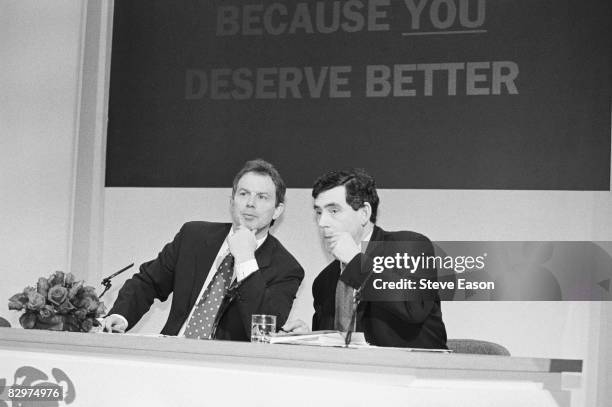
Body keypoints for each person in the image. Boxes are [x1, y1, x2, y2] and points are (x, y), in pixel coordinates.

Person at [103, 159, 304, 341]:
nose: (250, 203)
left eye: (262, 197)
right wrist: (120, 316)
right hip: (172, 353)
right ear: (232, 201)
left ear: (278, 209)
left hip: (228, 369)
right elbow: (147, 283)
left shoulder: (286, 268)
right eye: (243, 194)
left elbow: (266, 331)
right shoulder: (193, 237)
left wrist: (245, 259)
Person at [282, 169, 447, 348]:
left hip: (414, 371)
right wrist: (310, 338)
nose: (322, 222)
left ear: (364, 213)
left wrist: (357, 262)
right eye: (319, 213)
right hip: (355, 373)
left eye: (334, 211)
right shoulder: (324, 281)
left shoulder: (409, 245)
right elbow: (338, 345)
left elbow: (414, 309)